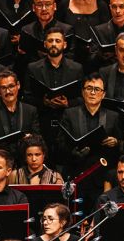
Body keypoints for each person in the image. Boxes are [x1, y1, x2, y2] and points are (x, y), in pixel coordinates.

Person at [22, 27, 83, 163]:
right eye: (50, 41)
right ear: (45, 44)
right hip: (43, 123)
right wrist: (43, 102)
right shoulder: (33, 68)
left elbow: (81, 98)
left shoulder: (76, 68)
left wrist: (68, 103)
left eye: (57, 40)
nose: (54, 44)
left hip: (67, 125)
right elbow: (26, 97)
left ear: (64, 44)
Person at [58, 73, 122, 180]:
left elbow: (121, 144)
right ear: (83, 92)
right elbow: (60, 143)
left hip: (103, 174)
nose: (92, 92)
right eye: (89, 88)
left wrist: (116, 142)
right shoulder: (69, 114)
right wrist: (73, 152)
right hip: (76, 170)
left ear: (103, 94)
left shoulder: (113, 116)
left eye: (97, 89)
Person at [56, 0, 110, 71]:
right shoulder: (64, 4)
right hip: (69, 58)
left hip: (95, 59)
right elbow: (57, 30)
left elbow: (106, 33)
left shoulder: (102, 5)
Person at [0, 70, 40, 161]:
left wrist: (30, 139)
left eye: (11, 86)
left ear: (18, 85)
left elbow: (38, 138)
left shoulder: (30, 110)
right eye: (3, 88)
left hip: (24, 163)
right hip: (1, 162)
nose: (8, 91)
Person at [17, 0, 74, 70]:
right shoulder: (26, 30)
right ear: (33, 8)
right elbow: (22, 61)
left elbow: (70, 58)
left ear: (54, 6)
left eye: (48, 4)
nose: (44, 9)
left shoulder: (66, 30)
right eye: (39, 5)